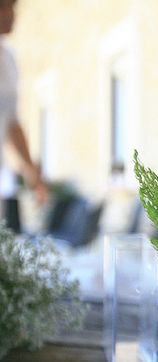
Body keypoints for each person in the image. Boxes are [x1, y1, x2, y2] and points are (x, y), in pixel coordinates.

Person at [0, 0, 47, 232]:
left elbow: (11, 122)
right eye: (4, 7)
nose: (12, 15)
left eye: (12, 8)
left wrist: (32, 175)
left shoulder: (7, 59)